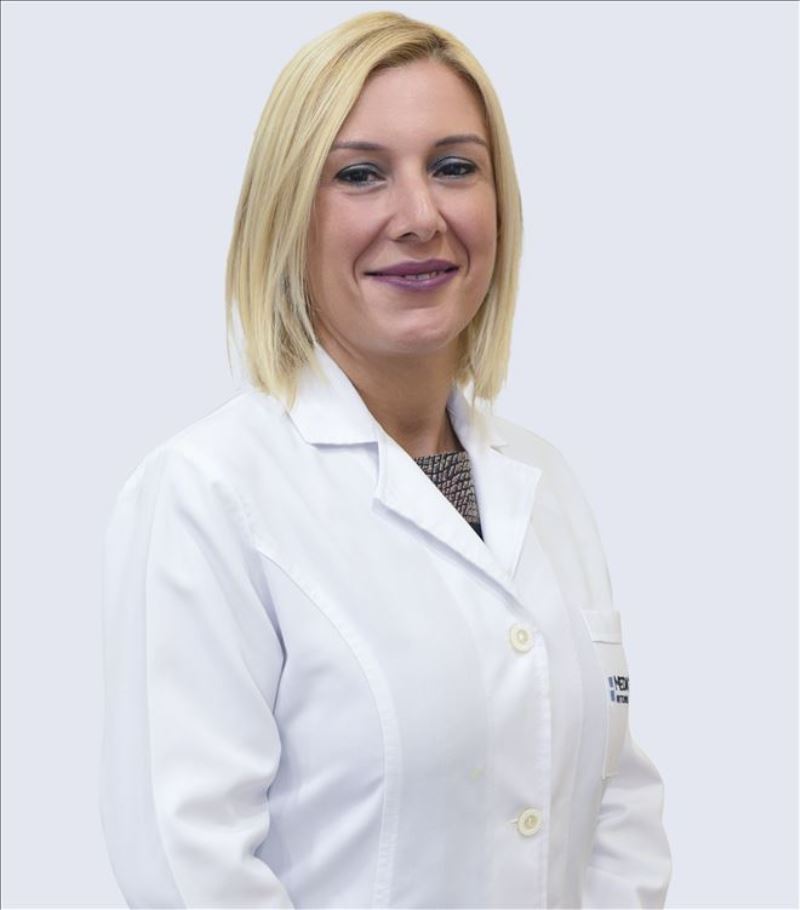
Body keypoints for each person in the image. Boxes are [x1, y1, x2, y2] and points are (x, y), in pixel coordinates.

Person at [99, 10, 671, 909]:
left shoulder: (545, 482)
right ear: (290, 213)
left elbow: (617, 806)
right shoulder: (208, 495)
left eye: (455, 167)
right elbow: (191, 872)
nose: (420, 217)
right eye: (361, 174)